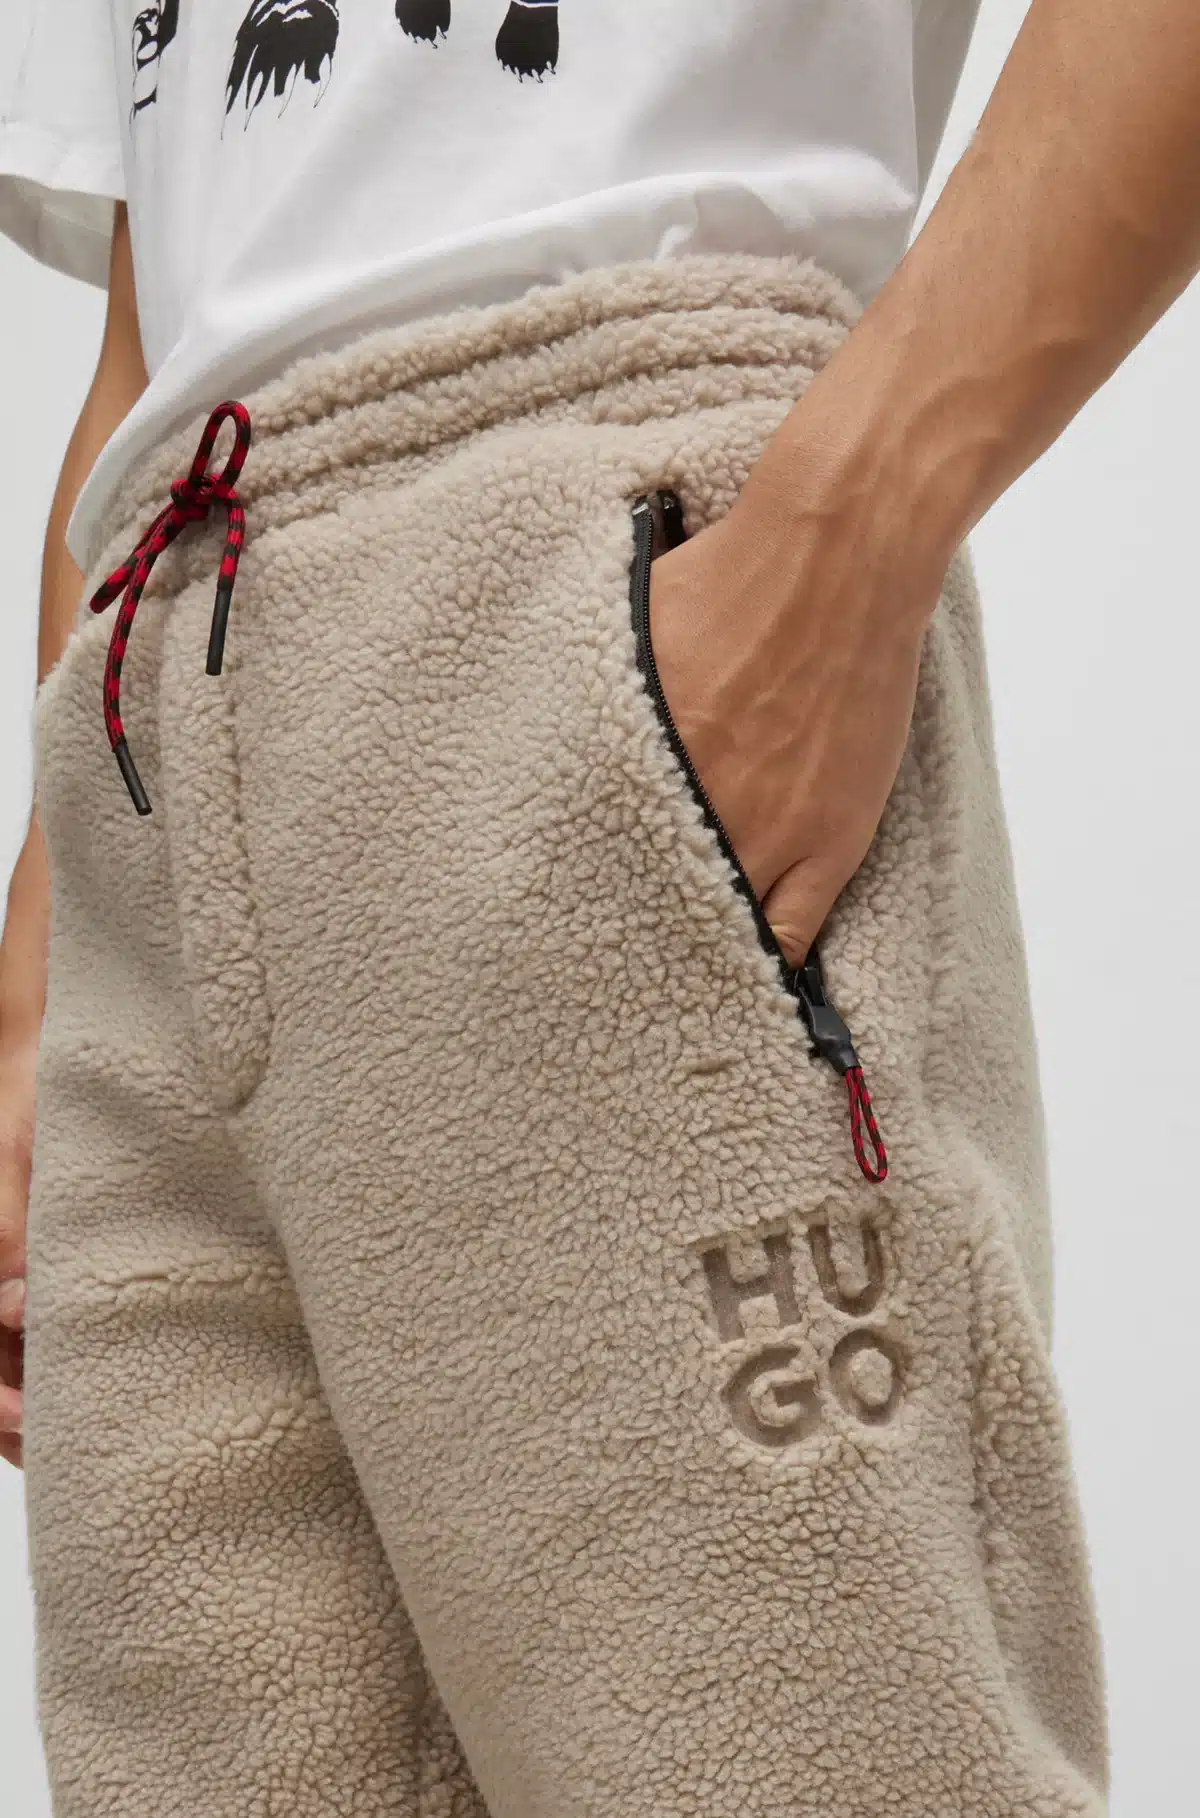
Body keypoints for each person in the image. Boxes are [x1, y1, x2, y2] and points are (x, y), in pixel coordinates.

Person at [0, 0, 1196, 1811]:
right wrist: (51, 934)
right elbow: (175, 274)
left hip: (595, 573)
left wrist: (857, 520)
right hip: (165, 674)